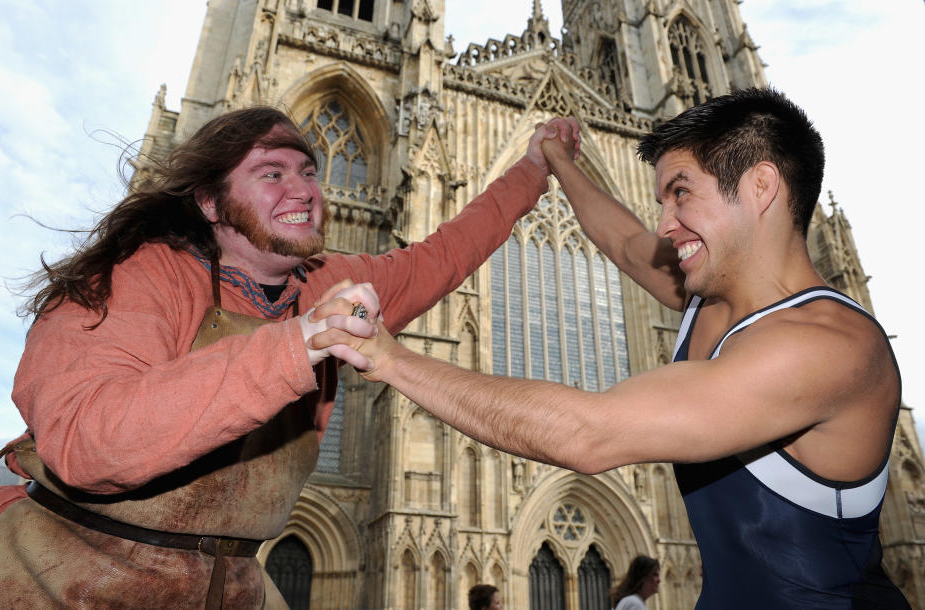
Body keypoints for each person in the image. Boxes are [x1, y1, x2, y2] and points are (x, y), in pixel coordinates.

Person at [315, 88, 911, 608]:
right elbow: (627, 245)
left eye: (681, 194)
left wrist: (390, 358)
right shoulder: (718, 300)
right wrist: (559, 164)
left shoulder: (824, 348)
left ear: (760, 186)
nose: (665, 223)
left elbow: (588, 434)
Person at [0, 105, 578, 608]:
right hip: (61, 575)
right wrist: (299, 343)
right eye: (271, 173)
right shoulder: (138, 275)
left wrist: (531, 167)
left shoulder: (323, 281)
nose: (304, 190)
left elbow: (446, 254)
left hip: (226, 582)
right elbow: (86, 441)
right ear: (211, 203)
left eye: (308, 172)